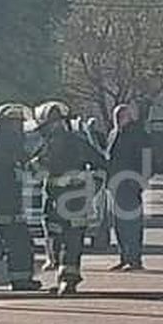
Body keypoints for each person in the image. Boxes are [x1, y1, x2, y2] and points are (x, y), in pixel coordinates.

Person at [31, 100, 108, 295]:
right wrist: (94, 187)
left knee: (66, 238)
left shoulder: (57, 144)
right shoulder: (75, 142)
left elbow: (101, 165)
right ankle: (66, 278)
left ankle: (67, 279)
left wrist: (93, 186)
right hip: (69, 200)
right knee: (68, 239)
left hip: (63, 201)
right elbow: (101, 165)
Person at [0, 102, 40, 290]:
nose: (18, 127)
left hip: (9, 199)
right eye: (15, 123)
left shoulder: (3, 140)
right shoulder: (3, 142)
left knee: (15, 241)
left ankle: (21, 279)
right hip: (4, 200)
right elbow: (13, 165)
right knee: (19, 243)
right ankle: (20, 280)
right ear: (5, 124)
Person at [105, 103, 151, 272]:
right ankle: (124, 257)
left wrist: (140, 182)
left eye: (121, 116)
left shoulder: (138, 134)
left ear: (129, 117)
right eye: (116, 116)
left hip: (131, 184)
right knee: (119, 224)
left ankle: (135, 259)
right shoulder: (113, 134)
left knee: (132, 223)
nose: (118, 120)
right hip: (115, 185)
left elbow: (147, 160)